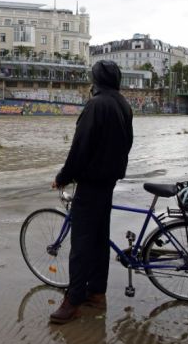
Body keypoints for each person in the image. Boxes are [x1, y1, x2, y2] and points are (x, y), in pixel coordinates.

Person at [50, 60, 134, 324]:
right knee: (99, 240)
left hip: (91, 183)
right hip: (108, 181)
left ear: (95, 81)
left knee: (81, 245)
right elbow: (127, 142)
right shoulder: (122, 104)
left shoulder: (96, 105)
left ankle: (73, 300)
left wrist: (63, 177)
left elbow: (80, 148)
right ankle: (96, 293)